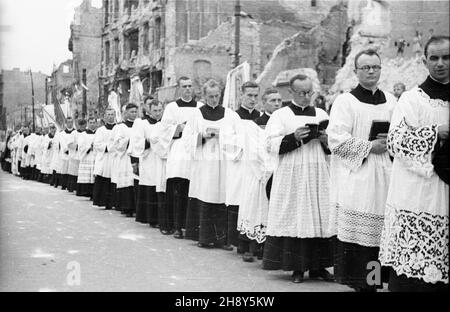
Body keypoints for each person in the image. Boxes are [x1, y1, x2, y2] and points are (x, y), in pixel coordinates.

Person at [379, 36, 449, 292]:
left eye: (447, 57)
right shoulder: (411, 99)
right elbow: (396, 142)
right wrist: (435, 132)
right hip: (419, 192)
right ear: (424, 61)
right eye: (434, 58)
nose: (441, 63)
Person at [328, 49, 397, 291]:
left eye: (375, 67)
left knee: (379, 239)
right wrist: (369, 147)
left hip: (386, 174)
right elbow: (335, 140)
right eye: (365, 67)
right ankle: (364, 285)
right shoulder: (346, 101)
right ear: (355, 71)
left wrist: (390, 142)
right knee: (362, 241)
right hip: (359, 176)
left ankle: (375, 282)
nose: (371, 71)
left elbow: (400, 135)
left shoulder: (392, 101)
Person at [262, 74, 334, 283]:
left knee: (320, 215)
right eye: (301, 93)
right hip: (292, 171)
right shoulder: (280, 115)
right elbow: (269, 144)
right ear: (290, 93)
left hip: (318, 170)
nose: (306, 96)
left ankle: (319, 267)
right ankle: (297, 267)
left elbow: (332, 145)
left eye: (309, 92)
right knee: (297, 215)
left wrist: (325, 139)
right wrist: (293, 137)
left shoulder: (320, 113)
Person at [184, 79, 240, 249]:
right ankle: (205, 237)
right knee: (206, 195)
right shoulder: (196, 114)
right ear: (204, 95)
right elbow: (187, 139)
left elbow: (238, 138)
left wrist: (222, 135)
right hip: (205, 163)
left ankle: (223, 239)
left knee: (223, 197)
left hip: (223, 162)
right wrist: (202, 136)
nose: (214, 100)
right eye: (210, 96)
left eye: (217, 96)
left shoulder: (230, 114)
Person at [237, 87, 282, 262]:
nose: (277, 104)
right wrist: (270, 170)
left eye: (279, 100)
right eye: (273, 101)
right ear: (264, 103)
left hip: (279, 171)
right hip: (260, 173)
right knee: (256, 207)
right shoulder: (255, 123)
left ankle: (269, 249)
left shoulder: (283, 122)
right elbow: (256, 151)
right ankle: (250, 246)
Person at [156, 76, 203, 238]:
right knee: (176, 191)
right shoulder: (172, 108)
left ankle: (190, 227)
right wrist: (180, 127)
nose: (188, 89)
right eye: (184, 86)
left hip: (195, 152)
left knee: (193, 191)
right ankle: (175, 226)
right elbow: (164, 131)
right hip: (177, 152)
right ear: (179, 88)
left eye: (190, 86)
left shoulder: (200, 107)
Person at [226, 81, 261, 256]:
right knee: (239, 201)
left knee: (253, 203)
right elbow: (226, 141)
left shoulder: (261, 117)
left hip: (256, 167)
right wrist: (244, 144)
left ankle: (252, 244)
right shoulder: (232, 117)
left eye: (256, 96)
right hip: (239, 165)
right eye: (249, 95)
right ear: (241, 95)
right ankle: (240, 243)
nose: (253, 99)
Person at [129, 96, 165, 226]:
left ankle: (162, 219)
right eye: (155, 110)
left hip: (162, 160)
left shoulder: (165, 124)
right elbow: (136, 143)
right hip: (149, 159)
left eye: (160, 110)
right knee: (151, 186)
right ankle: (151, 218)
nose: (158, 113)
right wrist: (149, 141)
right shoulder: (142, 124)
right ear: (149, 111)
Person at [113, 103, 138, 217]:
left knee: (136, 182)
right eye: (131, 112)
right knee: (127, 183)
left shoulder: (139, 125)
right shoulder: (120, 127)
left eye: (135, 111)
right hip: (126, 158)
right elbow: (117, 143)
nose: (134, 114)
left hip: (137, 157)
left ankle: (136, 208)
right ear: (126, 113)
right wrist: (128, 141)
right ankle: (127, 207)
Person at [92, 108, 117, 209]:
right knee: (104, 179)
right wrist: (108, 147)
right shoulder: (100, 130)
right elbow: (97, 144)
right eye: (108, 115)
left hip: (115, 157)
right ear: (105, 117)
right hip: (104, 157)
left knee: (114, 179)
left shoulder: (118, 128)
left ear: (115, 116)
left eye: (112, 114)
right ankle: (103, 202)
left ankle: (114, 202)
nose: (110, 116)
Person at [76, 117, 97, 198]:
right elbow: (80, 146)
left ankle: (93, 193)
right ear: (88, 123)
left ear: (96, 123)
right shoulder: (83, 134)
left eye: (94, 122)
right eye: (90, 122)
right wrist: (89, 147)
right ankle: (86, 191)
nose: (92, 124)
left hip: (95, 157)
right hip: (87, 156)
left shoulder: (99, 133)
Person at [67, 119, 86, 192]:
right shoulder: (74, 133)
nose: (83, 128)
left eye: (84, 126)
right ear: (79, 125)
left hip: (83, 155)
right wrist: (78, 146)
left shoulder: (86, 133)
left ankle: (80, 188)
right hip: (75, 155)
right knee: (74, 173)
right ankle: (72, 187)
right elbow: (69, 144)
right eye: (81, 126)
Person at [58, 117, 75, 190]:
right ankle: (64, 184)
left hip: (73, 154)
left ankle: (71, 186)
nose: (70, 124)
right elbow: (63, 144)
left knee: (72, 170)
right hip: (65, 154)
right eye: (68, 122)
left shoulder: (75, 132)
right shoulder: (62, 133)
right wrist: (67, 150)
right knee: (65, 169)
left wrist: (72, 151)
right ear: (66, 123)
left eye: (71, 122)